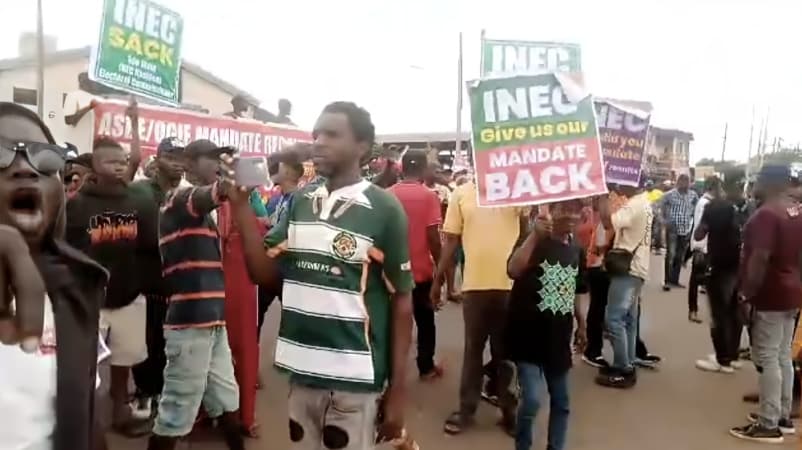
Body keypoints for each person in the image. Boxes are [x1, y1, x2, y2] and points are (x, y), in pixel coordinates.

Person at [231, 101, 414, 450]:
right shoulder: (301, 201)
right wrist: (241, 208)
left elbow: (402, 302)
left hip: (355, 380)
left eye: (332, 134)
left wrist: (398, 392)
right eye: (316, 134)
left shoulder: (385, 208)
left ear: (362, 146)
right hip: (302, 372)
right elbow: (262, 273)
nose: (319, 142)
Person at [0, 101, 108, 450]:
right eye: (1, 155)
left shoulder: (76, 287)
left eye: (43, 159)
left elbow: (84, 415)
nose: (25, 169)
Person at [149, 139, 243, 450]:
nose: (216, 164)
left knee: (227, 399)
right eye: (210, 158)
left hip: (211, 322)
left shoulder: (199, 208)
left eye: (219, 159)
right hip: (190, 326)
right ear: (189, 164)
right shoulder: (180, 199)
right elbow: (220, 190)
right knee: (176, 412)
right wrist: (236, 167)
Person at [65, 136, 152, 436]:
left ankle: (120, 413)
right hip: (91, 301)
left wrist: (143, 283)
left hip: (130, 298)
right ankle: (86, 424)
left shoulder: (138, 201)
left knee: (123, 362)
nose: (117, 167)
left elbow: (147, 248)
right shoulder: (76, 206)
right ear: (95, 165)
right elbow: (68, 252)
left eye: (121, 162)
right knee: (86, 367)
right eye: (110, 162)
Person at [437, 177, 525, 435]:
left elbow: (528, 232)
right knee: (473, 351)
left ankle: (509, 411)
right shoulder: (462, 194)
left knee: (505, 354)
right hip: (474, 288)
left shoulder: (516, 189)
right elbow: (451, 241)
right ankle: (466, 409)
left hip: (510, 287)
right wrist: (438, 281)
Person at [505, 200, 588, 450]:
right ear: (552, 211)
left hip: (558, 339)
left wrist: (581, 323)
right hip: (528, 336)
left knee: (561, 402)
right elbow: (512, 269)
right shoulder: (535, 240)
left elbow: (577, 288)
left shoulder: (577, 248)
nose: (571, 216)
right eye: (564, 209)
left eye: (575, 210)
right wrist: (533, 237)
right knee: (531, 401)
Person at [730, 165, 802, 444]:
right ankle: (781, 416)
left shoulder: (766, 215)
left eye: (757, 179)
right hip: (791, 291)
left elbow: (759, 258)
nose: (753, 184)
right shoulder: (795, 210)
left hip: (770, 294)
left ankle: (768, 423)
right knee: (782, 354)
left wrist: (746, 295)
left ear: (770, 182)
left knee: (768, 356)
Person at [128, 137, 186, 419]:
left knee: (171, 343)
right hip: (145, 281)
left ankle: (164, 391)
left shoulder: (190, 194)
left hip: (177, 283)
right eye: (171, 155)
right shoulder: (138, 191)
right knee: (145, 342)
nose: (176, 161)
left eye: (181, 157)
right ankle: (144, 391)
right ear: (158, 157)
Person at [388, 149, 444, 380]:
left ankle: (390, 368)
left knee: (391, 322)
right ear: (422, 169)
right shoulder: (429, 196)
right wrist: (441, 268)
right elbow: (433, 237)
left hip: (391, 272)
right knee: (425, 321)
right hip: (420, 272)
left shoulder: (387, 194)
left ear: (402, 168)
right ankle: (426, 367)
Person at [596, 182, 652, 388]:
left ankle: (623, 368)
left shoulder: (634, 206)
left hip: (627, 270)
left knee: (614, 318)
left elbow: (607, 222)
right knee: (628, 319)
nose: (618, 189)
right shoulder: (644, 202)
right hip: (638, 268)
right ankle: (628, 362)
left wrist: (601, 195)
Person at [693, 179, 745, 374]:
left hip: (718, 265)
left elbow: (699, 234)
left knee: (718, 313)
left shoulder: (713, 207)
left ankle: (722, 361)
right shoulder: (740, 207)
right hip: (736, 265)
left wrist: (703, 226)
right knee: (733, 311)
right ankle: (732, 356)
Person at [687, 176, 721, 323]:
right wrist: (700, 246)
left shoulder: (707, 202)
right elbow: (701, 227)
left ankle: (698, 311)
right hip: (703, 247)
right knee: (697, 280)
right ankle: (693, 310)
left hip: (706, 247)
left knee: (703, 280)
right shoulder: (705, 203)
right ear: (714, 188)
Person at [659, 174, 697, 291]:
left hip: (685, 229)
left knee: (679, 257)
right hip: (672, 229)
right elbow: (658, 208)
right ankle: (667, 281)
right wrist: (664, 221)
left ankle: (674, 280)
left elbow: (697, 209)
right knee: (671, 254)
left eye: (687, 182)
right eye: (682, 181)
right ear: (678, 182)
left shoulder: (693, 195)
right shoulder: (669, 195)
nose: (685, 184)